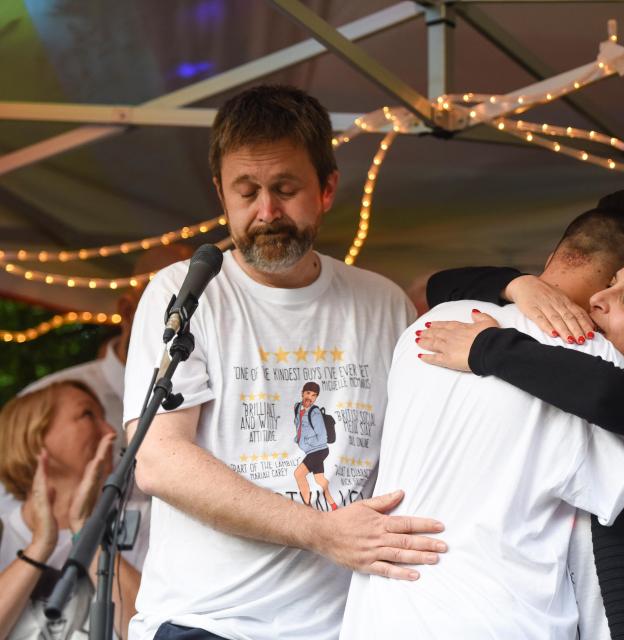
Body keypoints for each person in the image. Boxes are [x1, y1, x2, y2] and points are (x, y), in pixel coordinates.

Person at [340, 194, 624, 639]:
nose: (602, 300)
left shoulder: (435, 325)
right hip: (500, 621)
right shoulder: (582, 358)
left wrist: (496, 327)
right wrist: (517, 286)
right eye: (611, 282)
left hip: (379, 615)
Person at [122, 85, 446, 640]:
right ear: (220, 193)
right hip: (208, 622)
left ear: (327, 189)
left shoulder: (382, 302)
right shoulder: (184, 291)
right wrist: (322, 532)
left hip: (351, 624)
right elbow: (157, 460)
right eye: (245, 192)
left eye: (285, 189)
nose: (266, 212)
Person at [8, 244, 194, 569]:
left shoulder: (207, 394)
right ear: (127, 309)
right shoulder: (48, 397)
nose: (188, 322)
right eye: (171, 306)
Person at [0, 380, 141, 640]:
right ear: (35, 436)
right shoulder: (3, 532)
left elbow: (150, 629)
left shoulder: (142, 522)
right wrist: (40, 546)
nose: (110, 431)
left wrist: (87, 531)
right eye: (87, 415)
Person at [292, 381, 337, 509]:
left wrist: (306, 441)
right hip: (312, 450)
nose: (310, 397)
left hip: (318, 450)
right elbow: (299, 425)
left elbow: (322, 437)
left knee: (298, 474)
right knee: (319, 479)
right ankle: (333, 505)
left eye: (314, 395)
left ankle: (307, 507)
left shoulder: (315, 412)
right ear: (302, 393)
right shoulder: (297, 407)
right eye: (308, 393)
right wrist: (298, 439)